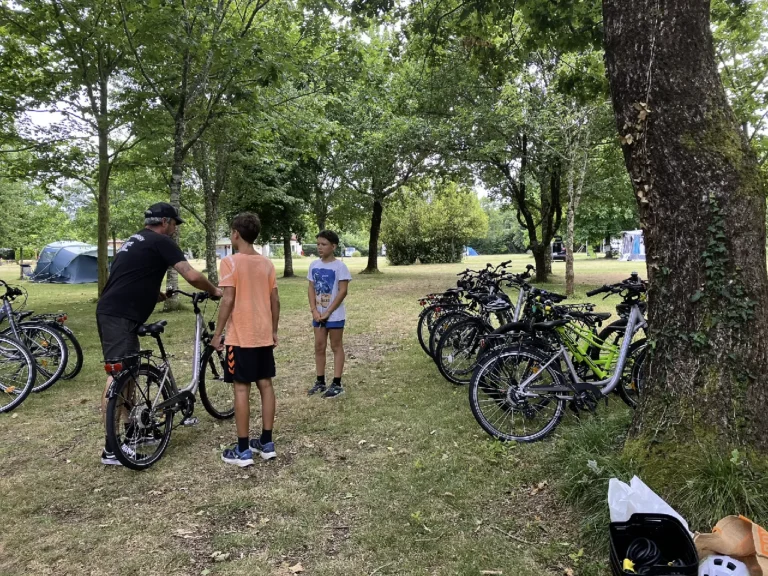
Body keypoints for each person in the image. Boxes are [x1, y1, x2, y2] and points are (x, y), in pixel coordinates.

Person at [96, 202, 221, 466]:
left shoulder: (134, 241)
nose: (175, 229)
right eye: (175, 224)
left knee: (129, 374)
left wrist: (156, 293)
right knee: (119, 376)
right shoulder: (161, 241)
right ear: (164, 222)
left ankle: (133, 432)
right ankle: (112, 447)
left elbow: (129, 275)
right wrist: (214, 290)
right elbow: (191, 275)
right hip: (119, 315)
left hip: (115, 311)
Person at [212, 213, 280, 467]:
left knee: (241, 388)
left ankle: (242, 450)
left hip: (240, 338)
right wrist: (273, 330)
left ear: (235, 234)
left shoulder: (229, 262)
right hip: (263, 334)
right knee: (266, 385)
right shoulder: (266, 264)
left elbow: (228, 299)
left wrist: (218, 334)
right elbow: (275, 301)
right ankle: (267, 443)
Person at [307, 230, 351, 398]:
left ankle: (337, 383)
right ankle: (320, 380)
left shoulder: (340, 267)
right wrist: (314, 310)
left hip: (335, 315)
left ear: (333, 246)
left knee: (336, 346)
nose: (320, 247)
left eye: (324, 244)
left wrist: (328, 312)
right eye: (318, 244)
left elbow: (342, 291)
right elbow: (311, 288)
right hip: (318, 315)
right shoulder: (314, 265)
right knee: (319, 346)